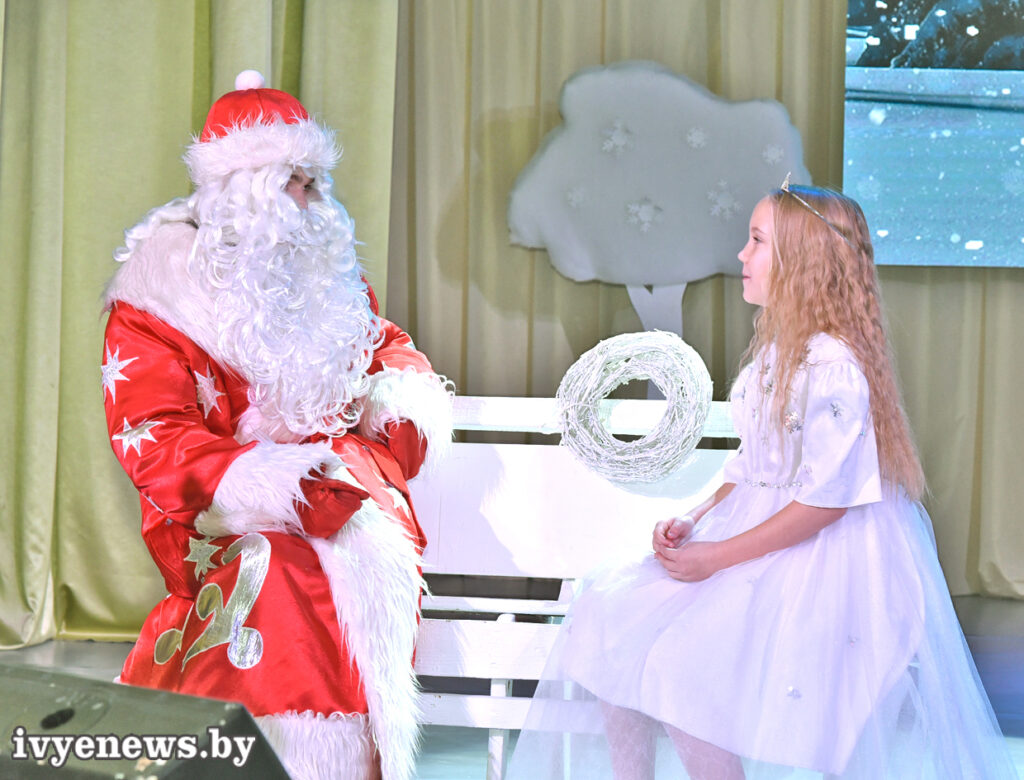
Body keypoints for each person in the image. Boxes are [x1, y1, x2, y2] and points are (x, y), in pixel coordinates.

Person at [507, 182, 1018, 778]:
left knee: (683, 666)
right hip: (752, 534)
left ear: (801, 262)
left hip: (816, 555)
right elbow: (755, 467)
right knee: (608, 614)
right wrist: (695, 517)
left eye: (756, 242)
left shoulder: (833, 367)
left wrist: (716, 556)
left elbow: (825, 504)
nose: (742, 255)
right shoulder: (777, 352)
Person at [102, 71, 452, 780]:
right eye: (294, 181)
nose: (311, 198)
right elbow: (155, 431)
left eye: (315, 181)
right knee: (276, 572)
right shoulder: (157, 299)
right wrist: (273, 481)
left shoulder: (322, 276)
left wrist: (394, 406)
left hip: (342, 488)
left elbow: (385, 348)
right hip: (217, 507)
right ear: (243, 189)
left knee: (337, 556)